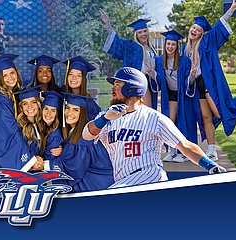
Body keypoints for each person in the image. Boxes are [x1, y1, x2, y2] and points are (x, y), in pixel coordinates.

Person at [82, 67, 226, 188]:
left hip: (149, 177)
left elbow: (185, 145)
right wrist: (104, 118)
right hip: (124, 181)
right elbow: (87, 135)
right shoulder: (107, 116)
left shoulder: (154, 118)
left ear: (132, 88)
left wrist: (210, 165)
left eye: (118, 85)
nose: (113, 89)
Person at [183, 0, 236, 161]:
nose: (195, 30)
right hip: (197, 87)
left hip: (207, 83)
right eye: (193, 28)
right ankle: (211, 150)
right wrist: (190, 75)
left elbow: (218, 27)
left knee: (218, 112)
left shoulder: (206, 42)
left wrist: (230, 10)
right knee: (206, 118)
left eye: (198, 29)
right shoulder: (186, 49)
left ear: (202, 33)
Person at [36, 93, 114, 192]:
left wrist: (44, 165)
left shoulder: (84, 138)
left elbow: (73, 169)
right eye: (68, 108)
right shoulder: (74, 131)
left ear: (82, 113)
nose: (69, 113)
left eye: (75, 110)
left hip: (95, 184)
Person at [0, 54, 43, 188]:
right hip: (5, 146)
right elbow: (11, 131)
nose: (10, 78)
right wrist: (29, 160)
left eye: (12, 73)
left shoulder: (12, 94)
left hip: (10, 143)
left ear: (16, 72)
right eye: (5, 75)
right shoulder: (2, 101)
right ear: (0, 78)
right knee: (8, 186)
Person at [154, 30, 203, 162]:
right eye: (168, 44)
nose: (170, 47)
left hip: (183, 95)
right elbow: (158, 82)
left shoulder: (184, 61)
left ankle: (186, 153)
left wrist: (192, 76)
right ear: (165, 45)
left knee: (184, 121)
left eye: (173, 44)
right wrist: (153, 74)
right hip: (169, 94)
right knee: (170, 121)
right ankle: (172, 150)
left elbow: (189, 81)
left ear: (177, 47)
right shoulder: (158, 61)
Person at [100, 10, 158, 109]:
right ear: (136, 35)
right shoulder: (132, 46)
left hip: (151, 82)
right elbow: (118, 42)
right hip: (137, 81)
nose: (143, 34)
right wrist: (108, 25)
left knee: (148, 110)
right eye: (140, 32)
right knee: (143, 110)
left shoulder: (152, 49)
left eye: (144, 31)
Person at [63, 56, 101, 121]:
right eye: (71, 74)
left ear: (83, 79)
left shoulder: (89, 103)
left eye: (79, 75)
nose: (74, 78)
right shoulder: (61, 95)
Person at [15, 85, 45, 156]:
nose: (30, 106)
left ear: (38, 104)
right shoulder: (18, 128)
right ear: (21, 107)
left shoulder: (43, 124)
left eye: (33, 102)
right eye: (25, 103)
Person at [40, 90, 64, 162]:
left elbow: (48, 159)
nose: (48, 113)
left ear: (57, 114)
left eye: (53, 110)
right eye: (46, 108)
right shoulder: (42, 127)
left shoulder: (55, 136)